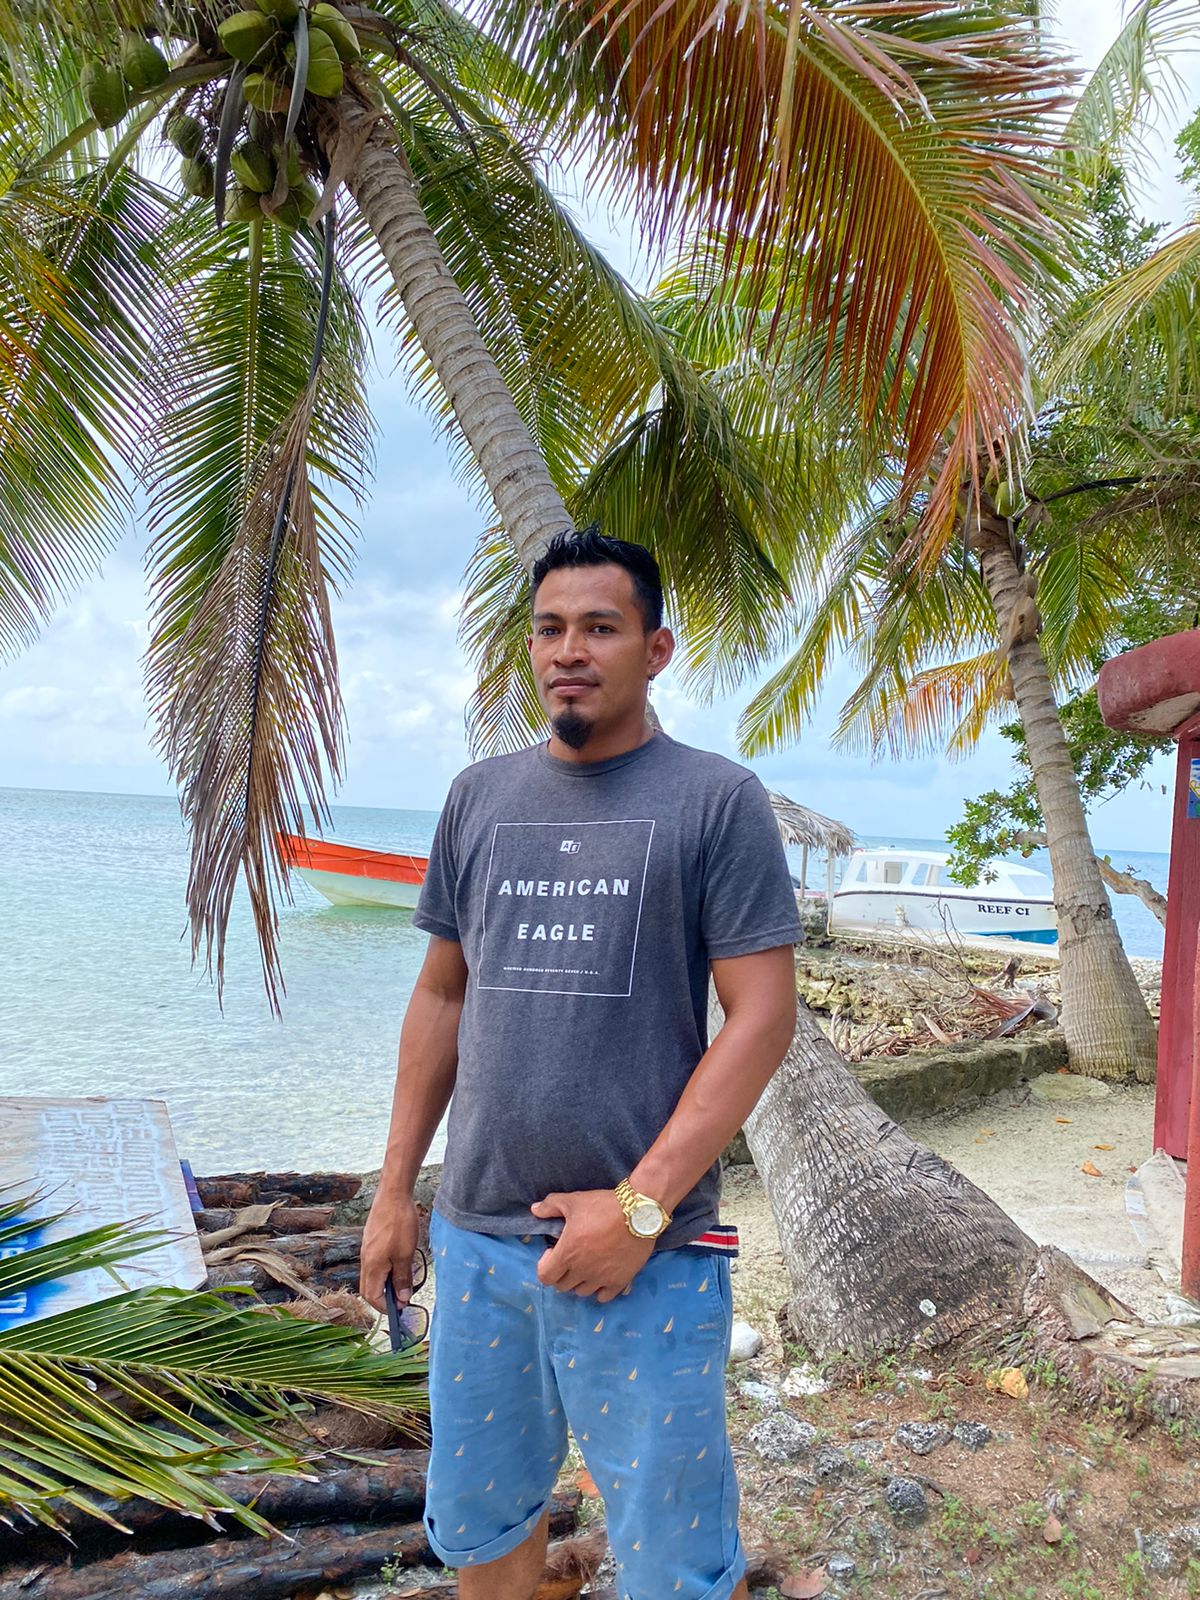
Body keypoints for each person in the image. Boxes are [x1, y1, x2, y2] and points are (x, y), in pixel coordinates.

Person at [360, 528, 802, 1600]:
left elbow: (761, 1017)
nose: (570, 649)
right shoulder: (479, 796)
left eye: (600, 627)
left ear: (653, 650)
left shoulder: (714, 800)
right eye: (551, 628)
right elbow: (442, 995)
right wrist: (394, 1193)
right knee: (484, 1525)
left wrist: (639, 1212)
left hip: (651, 1258)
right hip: (476, 1248)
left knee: (673, 1559)